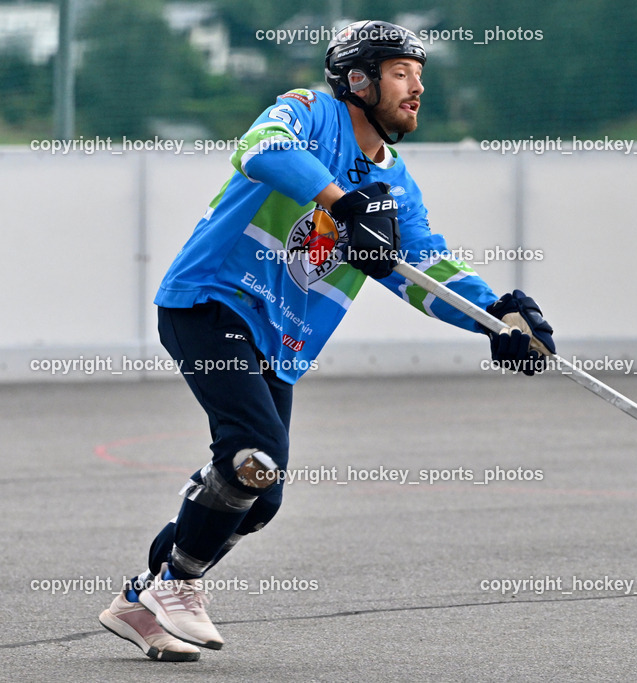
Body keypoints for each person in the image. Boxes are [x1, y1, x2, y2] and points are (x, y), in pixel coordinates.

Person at [99, 19, 555, 662]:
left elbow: (423, 272)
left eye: (420, 76)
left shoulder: (396, 181)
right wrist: (343, 203)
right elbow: (260, 149)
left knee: (260, 500)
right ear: (360, 80)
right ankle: (175, 588)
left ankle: (139, 600)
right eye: (402, 73)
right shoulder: (311, 112)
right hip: (210, 302)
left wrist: (498, 316)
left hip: (277, 343)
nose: (417, 88)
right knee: (251, 454)